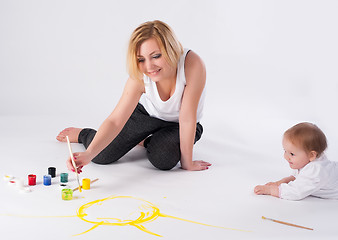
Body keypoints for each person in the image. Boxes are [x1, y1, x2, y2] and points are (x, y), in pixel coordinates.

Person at [56, 20, 211, 172]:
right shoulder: (140, 76)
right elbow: (115, 121)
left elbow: (187, 118)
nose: (149, 66)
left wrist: (187, 163)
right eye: (141, 59)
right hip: (148, 116)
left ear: (171, 49)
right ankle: (84, 134)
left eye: (156, 56)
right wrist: (88, 154)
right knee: (101, 156)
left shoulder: (192, 64)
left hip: (181, 123)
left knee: (163, 159)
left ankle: (145, 141)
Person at [254, 122, 338, 200]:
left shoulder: (315, 171)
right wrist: (280, 182)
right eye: (285, 151)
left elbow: (296, 192)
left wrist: (271, 190)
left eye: (292, 154)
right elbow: (296, 177)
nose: (286, 157)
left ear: (312, 155)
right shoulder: (307, 160)